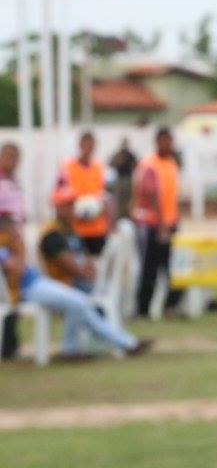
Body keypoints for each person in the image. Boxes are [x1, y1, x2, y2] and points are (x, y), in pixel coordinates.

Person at [0, 210, 151, 361]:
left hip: (37, 282)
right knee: (79, 301)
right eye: (10, 223)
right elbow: (18, 268)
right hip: (27, 288)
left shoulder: (12, 242)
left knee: (79, 304)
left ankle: (121, 343)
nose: (14, 227)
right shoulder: (13, 244)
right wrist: (18, 245)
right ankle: (123, 343)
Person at [132, 127, 182, 317]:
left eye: (170, 141)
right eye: (164, 141)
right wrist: (161, 225)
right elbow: (151, 195)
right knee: (149, 269)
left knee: (173, 267)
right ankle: (142, 309)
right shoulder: (149, 164)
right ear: (157, 141)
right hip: (153, 224)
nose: (168, 145)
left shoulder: (171, 163)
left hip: (170, 222)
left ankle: (170, 306)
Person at [57, 131, 110, 256]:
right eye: (85, 144)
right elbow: (58, 196)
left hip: (97, 228)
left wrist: (101, 207)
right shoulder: (68, 166)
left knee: (96, 266)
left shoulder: (99, 167)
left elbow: (105, 195)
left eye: (91, 145)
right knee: (78, 264)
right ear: (80, 145)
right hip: (75, 228)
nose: (88, 148)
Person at [40, 187, 97, 294]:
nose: (72, 209)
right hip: (63, 287)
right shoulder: (51, 234)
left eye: (73, 204)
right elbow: (72, 268)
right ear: (58, 208)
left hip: (82, 283)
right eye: (68, 205)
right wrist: (89, 275)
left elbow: (88, 258)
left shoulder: (72, 230)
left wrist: (92, 275)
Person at [0, 142, 25, 359]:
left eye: (15, 156)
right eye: (7, 155)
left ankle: (10, 342)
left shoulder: (13, 183)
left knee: (13, 294)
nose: (11, 161)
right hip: (4, 247)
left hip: (13, 243)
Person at [109, 138, 139, 219]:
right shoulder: (118, 154)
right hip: (120, 179)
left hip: (129, 179)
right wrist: (119, 161)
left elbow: (137, 165)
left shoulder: (131, 155)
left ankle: (129, 216)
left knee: (130, 200)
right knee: (119, 200)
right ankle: (119, 216)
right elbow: (111, 164)